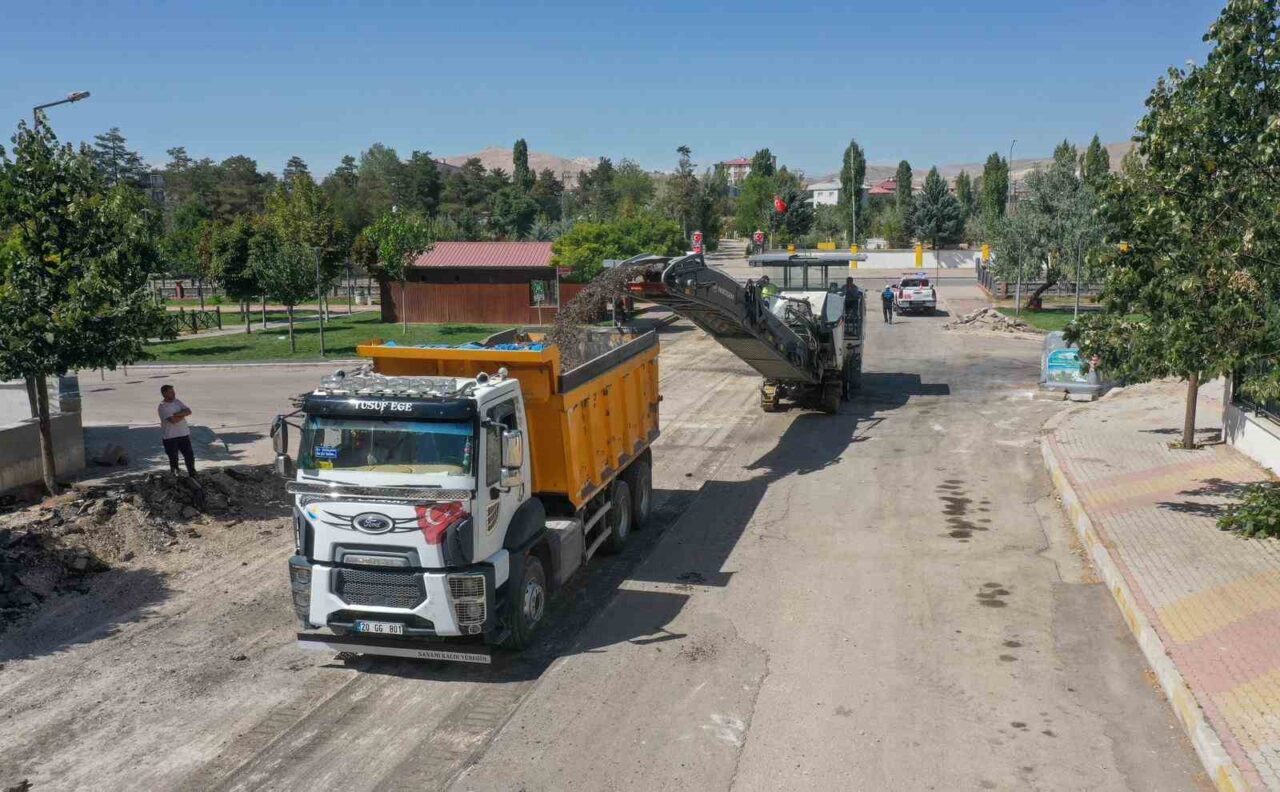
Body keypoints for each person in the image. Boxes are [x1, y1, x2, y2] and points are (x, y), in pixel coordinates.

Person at [158, 384, 196, 476]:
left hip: (183, 434)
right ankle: (176, 476)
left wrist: (177, 414)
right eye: (171, 392)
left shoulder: (177, 401)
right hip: (170, 437)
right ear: (164, 393)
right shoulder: (163, 406)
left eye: (173, 391)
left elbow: (189, 411)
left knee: (189, 456)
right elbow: (173, 421)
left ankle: (193, 474)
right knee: (174, 458)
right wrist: (183, 414)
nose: (174, 393)